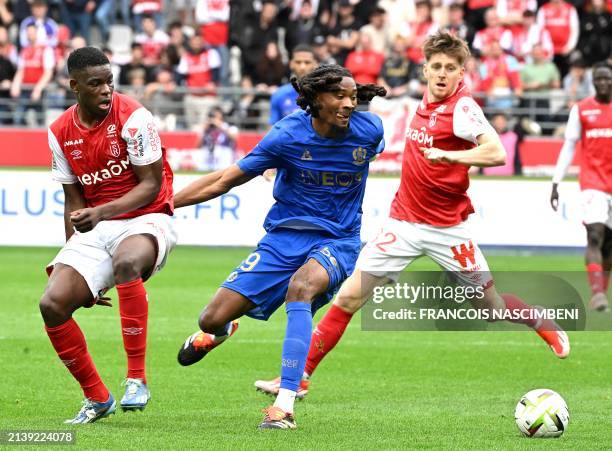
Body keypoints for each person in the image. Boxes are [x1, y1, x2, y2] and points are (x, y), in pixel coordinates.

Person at [255, 31, 570, 400]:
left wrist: (454, 156)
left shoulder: (463, 109)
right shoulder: (428, 98)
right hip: (402, 223)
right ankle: (301, 377)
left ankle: (538, 320)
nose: (441, 74)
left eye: (450, 69)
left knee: (491, 308)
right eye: (436, 67)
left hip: (449, 230)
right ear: (424, 70)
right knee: (347, 299)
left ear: (461, 74)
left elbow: (496, 152)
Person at [175, 64, 386, 429]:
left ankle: (284, 405)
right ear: (314, 99)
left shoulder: (370, 131)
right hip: (283, 238)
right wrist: (165, 205)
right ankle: (221, 332)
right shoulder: (286, 135)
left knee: (300, 288)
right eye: (339, 96)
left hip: (338, 239)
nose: (349, 104)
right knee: (210, 317)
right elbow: (225, 180)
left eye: (353, 97)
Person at [40, 47, 176, 424]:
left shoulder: (135, 118)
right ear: (74, 86)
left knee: (127, 262)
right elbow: (73, 200)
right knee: (52, 305)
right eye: (95, 84)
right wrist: (76, 259)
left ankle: (137, 379)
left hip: (147, 217)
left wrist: (99, 213)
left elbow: (150, 185)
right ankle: (97, 398)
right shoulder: (59, 133)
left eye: (109, 82)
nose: (106, 91)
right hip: (99, 228)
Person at [551, 63, 612, 312]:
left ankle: (600, 292)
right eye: (598, 79)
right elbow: (569, 146)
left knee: (609, 244)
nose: (603, 83)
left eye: (607, 78)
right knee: (595, 234)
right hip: (593, 183)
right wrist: (556, 181)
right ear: (592, 82)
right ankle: (597, 293)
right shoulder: (582, 110)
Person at [268, 44, 317, 126]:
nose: (302, 67)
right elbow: (273, 128)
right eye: (298, 62)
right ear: (291, 64)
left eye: (307, 62)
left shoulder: (323, 94)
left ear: (315, 64)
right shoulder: (279, 94)